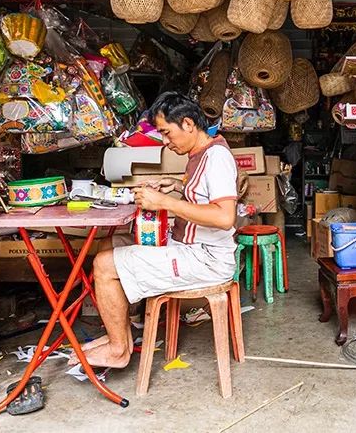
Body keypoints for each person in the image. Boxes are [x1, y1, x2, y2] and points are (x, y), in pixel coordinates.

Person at [78, 92, 239, 369]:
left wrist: (165, 202)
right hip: (189, 247)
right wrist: (176, 186)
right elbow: (204, 194)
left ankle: (118, 351)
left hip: (206, 259)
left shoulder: (217, 158)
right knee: (109, 245)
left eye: (166, 132)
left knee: (104, 264)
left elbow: (225, 217)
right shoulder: (200, 153)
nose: (164, 141)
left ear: (188, 124)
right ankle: (121, 335)